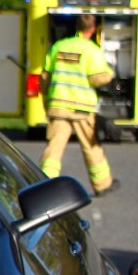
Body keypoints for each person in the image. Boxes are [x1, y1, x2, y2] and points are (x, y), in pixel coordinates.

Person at [38, 13, 119, 195]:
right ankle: (102, 185)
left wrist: (45, 98)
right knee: (91, 146)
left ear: (76, 25)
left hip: (58, 105)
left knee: (54, 148)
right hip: (82, 108)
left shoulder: (59, 46)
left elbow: (45, 77)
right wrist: (109, 73)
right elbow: (97, 78)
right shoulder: (91, 50)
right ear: (93, 29)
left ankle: (44, 185)